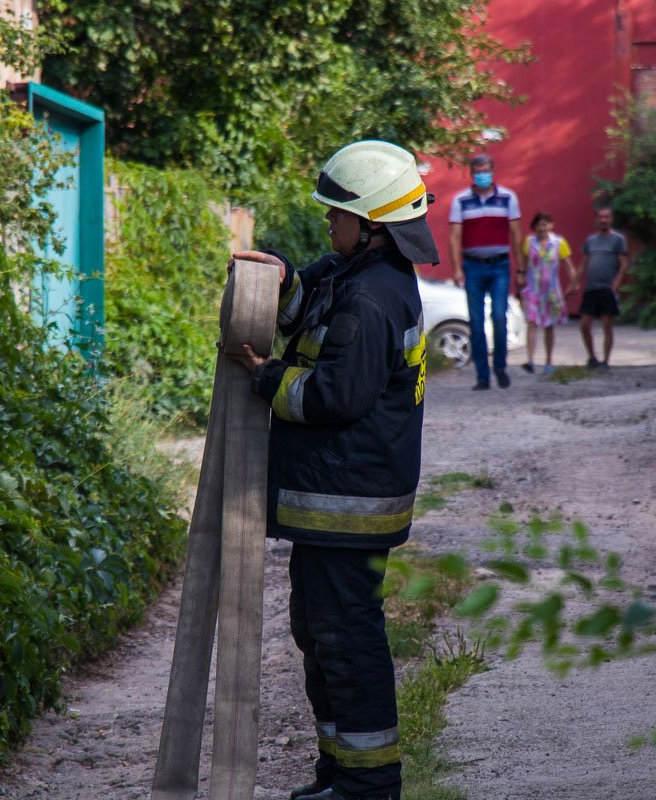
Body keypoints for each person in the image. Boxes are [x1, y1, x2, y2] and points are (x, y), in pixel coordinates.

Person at [229, 140, 436, 800]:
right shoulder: (352, 275)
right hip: (333, 505)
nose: (327, 225)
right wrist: (282, 280)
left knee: (345, 644)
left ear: (373, 223)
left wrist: (267, 381)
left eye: (335, 216)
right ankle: (339, 773)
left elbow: (332, 397)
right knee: (320, 638)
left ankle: (369, 787)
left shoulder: (372, 299)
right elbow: (305, 312)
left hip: (349, 505)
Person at [447, 153, 522, 390]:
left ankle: (500, 366)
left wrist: (520, 268)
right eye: (478, 171)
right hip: (473, 266)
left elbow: (516, 234)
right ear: (471, 173)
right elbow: (454, 237)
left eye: (486, 171)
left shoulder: (508, 198)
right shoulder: (461, 201)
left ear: (493, 171)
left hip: (500, 265)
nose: (482, 175)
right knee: (476, 322)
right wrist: (457, 268)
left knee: (499, 317)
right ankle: (482, 375)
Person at [520, 212, 578, 375]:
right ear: (535, 227)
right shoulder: (528, 242)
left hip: (551, 291)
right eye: (539, 224)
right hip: (533, 289)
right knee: (531, 323)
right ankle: (530, 360)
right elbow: (524, 265)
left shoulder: (559, 242)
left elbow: (568, 265)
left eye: (546, 223)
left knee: (549, 325)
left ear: (551, 225)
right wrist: (521, 281)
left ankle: (548, 361)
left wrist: (574, 283)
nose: (542, 227)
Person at [577, 206, 629, 369]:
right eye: (601, 217)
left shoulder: (618, 239)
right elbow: (583, 264)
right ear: (596, 219)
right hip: (591, 289)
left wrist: (616, 283)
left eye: (607, 217)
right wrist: (574, 283)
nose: (603, 220)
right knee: (584, 325)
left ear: (611, 219)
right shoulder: (590, 241)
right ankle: (592, 357)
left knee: (607, 325)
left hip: (607, 289)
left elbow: (624, 264)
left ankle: (605, 361)